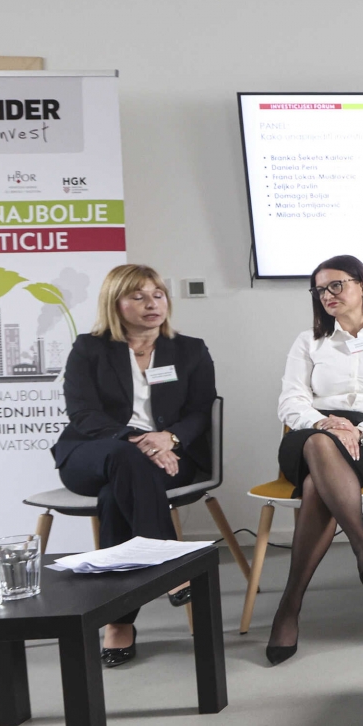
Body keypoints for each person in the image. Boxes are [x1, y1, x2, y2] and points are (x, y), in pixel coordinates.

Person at [53, 264, 216, 668]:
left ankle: (117, 621)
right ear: (115, 303)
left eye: (158, 294)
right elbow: (83, 413)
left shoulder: (190, 350)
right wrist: (137, 439)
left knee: (116, 496)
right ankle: (171, 564)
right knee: (125, 458)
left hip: (169, 456)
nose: (151, 304)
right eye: (138, 296)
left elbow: (201, 411)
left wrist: (169, 438)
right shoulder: (89, 349)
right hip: (94, 453)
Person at [266, 255, 363, 666]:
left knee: (317, 486)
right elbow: (291, 400)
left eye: (336, 285)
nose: (327, 295)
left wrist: (361, 431)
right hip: (308, 435)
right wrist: (325, 423)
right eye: (320, 289)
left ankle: (289, 607)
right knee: (320, 446)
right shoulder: (308, 341)